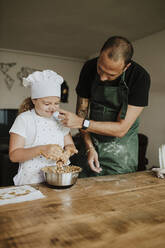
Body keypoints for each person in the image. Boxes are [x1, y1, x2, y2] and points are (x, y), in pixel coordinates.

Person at [58, 36, 151, 177]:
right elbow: (82, 113)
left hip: (121, 149)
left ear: (126, 67)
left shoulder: (139, 77)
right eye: (100, 69)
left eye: (111, 75)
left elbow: (121, 129)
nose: (102, 77)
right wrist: (89, 148)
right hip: (89, 140)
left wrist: (81, 122)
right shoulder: (89, 67)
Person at [9, 70, 77, 185]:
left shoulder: (60, 119)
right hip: (31, 182)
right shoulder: (24, 119)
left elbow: (70, 145)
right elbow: (14, 155)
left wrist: (68, 152)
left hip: (58, 179)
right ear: (34, 100)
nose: (52, 108)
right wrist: (40, 150)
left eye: (56, 103)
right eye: (47, 104)